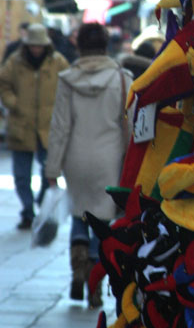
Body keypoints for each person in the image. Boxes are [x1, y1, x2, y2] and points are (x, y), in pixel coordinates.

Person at [45, 22, 132, 307]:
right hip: (110, 159)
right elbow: (129, 126)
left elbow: (59, 127)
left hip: (75, 159)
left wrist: (52, 170)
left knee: (79, 213)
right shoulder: (122, 79)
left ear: (79, 46)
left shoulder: (67, 79)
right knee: (103, 220)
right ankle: (95, 273)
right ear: (106, 46)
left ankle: (78, 260)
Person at [0, 23, 69, 229]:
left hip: (47, 128)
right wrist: (13, 103)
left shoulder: (57, 62)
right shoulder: (15, 62)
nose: (36, 49)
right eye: (33, 45)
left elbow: (68, 85)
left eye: (39, 46)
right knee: (21, 175)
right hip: (21, 126)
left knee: (49, 171)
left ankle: (40, 204)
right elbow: (3, 84)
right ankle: (27, 211)